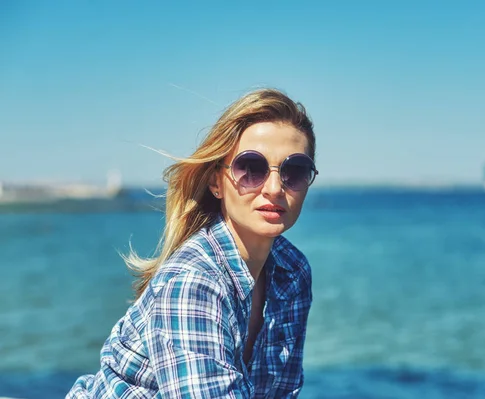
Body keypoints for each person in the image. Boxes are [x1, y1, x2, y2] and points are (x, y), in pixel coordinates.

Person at [66, 88, 318, 398]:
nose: (275, 188)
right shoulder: (194, 280)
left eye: (295, 171)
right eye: (252, 168)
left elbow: (282, 391)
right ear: (216, 182)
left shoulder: (293, 273)